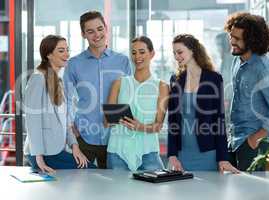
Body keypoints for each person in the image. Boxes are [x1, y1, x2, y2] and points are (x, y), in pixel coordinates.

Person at [63, 11, 131, 168]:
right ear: (83, 34)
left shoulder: (123, 61)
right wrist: (71, 127)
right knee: (79, 185)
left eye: (100, 29)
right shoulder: (74, 63)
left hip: (115, 137)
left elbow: (128, 97)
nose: (97, 35)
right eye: (90, 31)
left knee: (114, 187)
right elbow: (65, 98)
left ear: (106, 29)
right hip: (84, 136)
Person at [224, 12, 269, 171]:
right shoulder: (237, 61)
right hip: (235, 140)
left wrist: (255, 138)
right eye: (231, 36)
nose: (232, 41)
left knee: (251, 194)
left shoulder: (264, 68)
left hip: (253, 145)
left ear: (252, 41)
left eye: (237, 39)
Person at [167, 34, 239, 173]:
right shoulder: (175, 79)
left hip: (208, 152)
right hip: (182, 153)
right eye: (174, 53)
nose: (176, 57)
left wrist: (223, 158)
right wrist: (172, 154)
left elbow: (219, 119)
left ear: (192, 50)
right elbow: (172, 120)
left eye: (180, 52)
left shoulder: (214, 78)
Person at [24, 35, 95, 173]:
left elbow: (65, 119)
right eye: (61, 50)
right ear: (49, 54)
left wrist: (74, 145)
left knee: (90, 170)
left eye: (67, 50)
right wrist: (38, 157)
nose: (67, 54)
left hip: (55, 150)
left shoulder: (58, 81)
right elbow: (33, 121)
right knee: (90, 171)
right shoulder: (38, 79)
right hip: (44, 154)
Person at [106, 36, 169, 171]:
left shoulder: (161, 86)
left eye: (142, 52)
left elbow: (158, 126)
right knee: (118, 192)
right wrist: (113, 118)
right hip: (118, 151)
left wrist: (139, 126)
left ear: (151, 54)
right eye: (133, 53)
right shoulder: (119, 83)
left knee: (153, 191)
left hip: (148, 152)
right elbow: (106, 122)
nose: (137, 57)